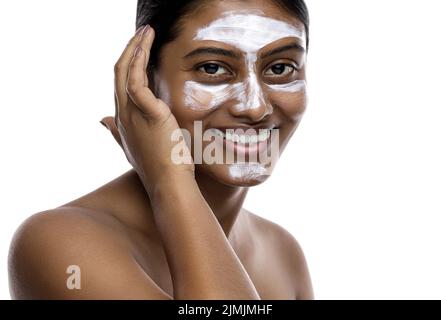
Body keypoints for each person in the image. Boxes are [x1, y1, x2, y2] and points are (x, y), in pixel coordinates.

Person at [8, 0, 313, 299]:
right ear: (143, 78)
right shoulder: (60, 244)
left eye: (280, 68)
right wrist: (170, 178)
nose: (255, 107)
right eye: (212, 67)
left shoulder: (282, 254)